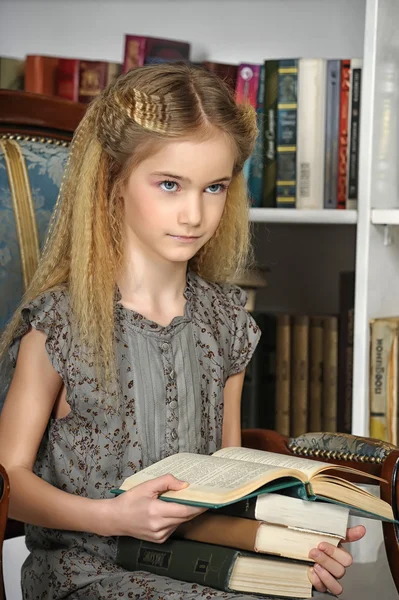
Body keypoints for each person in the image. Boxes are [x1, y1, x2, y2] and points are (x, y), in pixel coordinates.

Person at [0, 63, 365, 599]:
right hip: (85, 575)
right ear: (114, 182)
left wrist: (288, 548)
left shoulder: (226, 323)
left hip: (194, 565)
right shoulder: (60, 326)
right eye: (169, 184)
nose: (193, 213)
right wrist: (111, 517)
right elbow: (8, 479)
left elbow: (221, 492)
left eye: (213, 187)